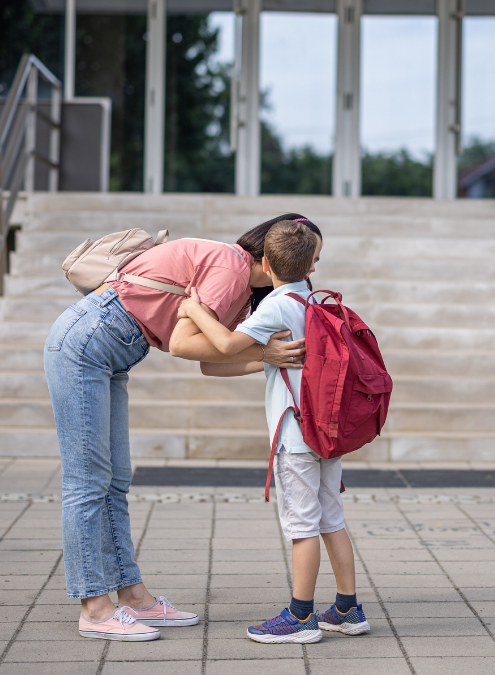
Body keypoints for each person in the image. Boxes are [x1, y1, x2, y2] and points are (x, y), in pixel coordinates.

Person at [43, 214, 321, 642]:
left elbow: (210, 362)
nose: (311, 269)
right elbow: (180, 345)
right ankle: (95, 608)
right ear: (270, 257)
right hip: (87, 342)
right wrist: (263, 353)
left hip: (109, 352)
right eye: (310, 259)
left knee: (114, 480)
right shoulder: (229, 268)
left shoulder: (242, 293)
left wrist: (265, 358)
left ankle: (133, 596)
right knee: (87, 482)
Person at [179, 218, 370, 645]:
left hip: (296, 436)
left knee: (301, 526)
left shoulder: (277, 305)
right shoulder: (314, 300)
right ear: (311, 266)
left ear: (264, 262)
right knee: (331, 520)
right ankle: (346, 608)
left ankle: (300, 617)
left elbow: (225, 348)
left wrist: (193, 309)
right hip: (326, 431)